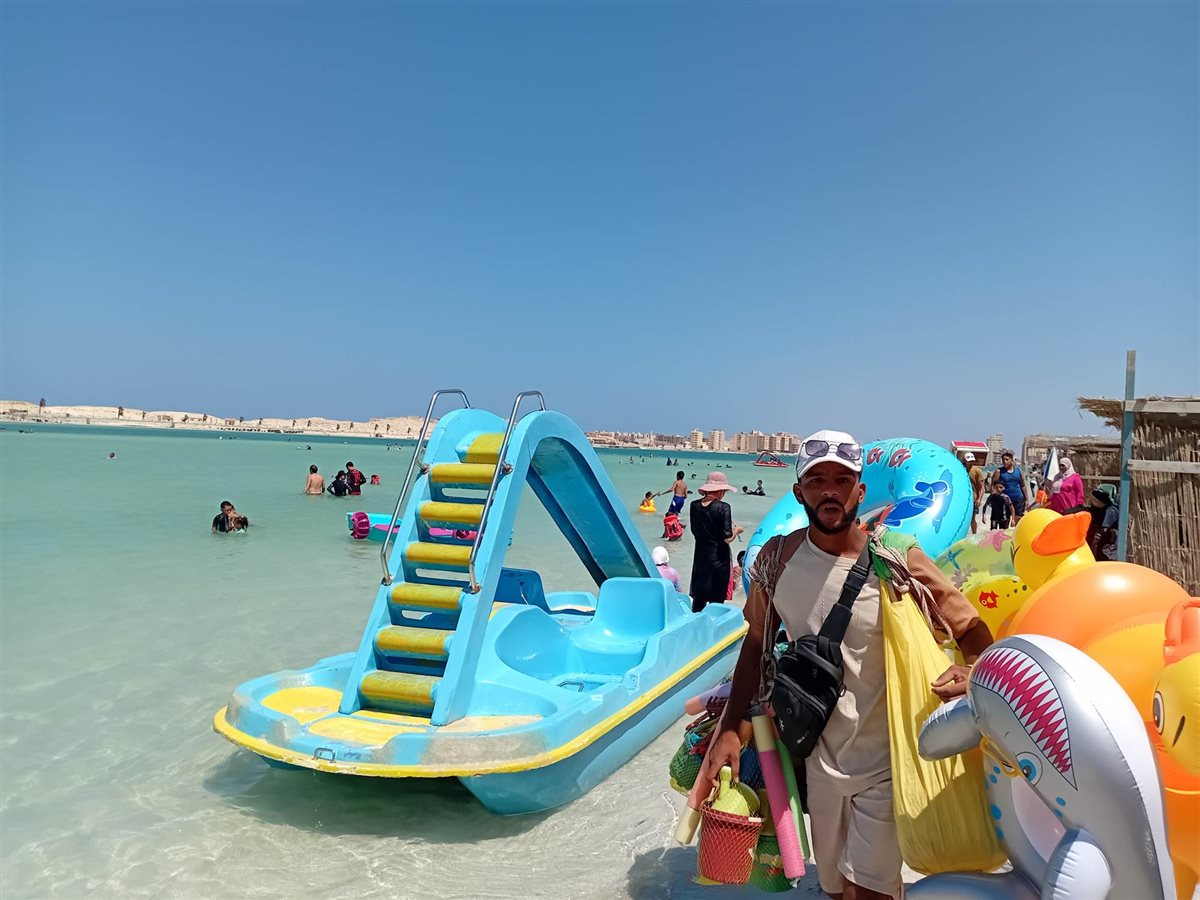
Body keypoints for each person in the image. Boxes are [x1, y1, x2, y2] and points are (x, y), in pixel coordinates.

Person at [699, 429, 991, 900]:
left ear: (860, 491)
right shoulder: (777, 561)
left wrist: (975, 670)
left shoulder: (895, 558)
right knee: (834, 889)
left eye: (842, 480)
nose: (830, 491)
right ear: (800, 493)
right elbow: (755, 646)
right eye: (817, 481)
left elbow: (969, 625)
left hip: (889, 762)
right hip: (818, 759)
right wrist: (731, 729)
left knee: (868, 892)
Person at [689, 471, 743, 613]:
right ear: (720, 491)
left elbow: (695, 531)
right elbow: (727, 538)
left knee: (698, 601)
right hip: (719, 560)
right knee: (717, 602)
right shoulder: (723, 507)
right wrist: (737, 530)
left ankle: (696, 624)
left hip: (700, 559)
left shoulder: (694, 505)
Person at [990, 449, 1030, 523]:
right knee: (1005, 521)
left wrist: (1027, 500)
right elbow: (993, 486)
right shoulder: (999, 471)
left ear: (1012, 460)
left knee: (1018, 521)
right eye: (1003, 460)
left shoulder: (1018, 471)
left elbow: (1023, 486)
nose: (1004, 461)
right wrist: (993, 500)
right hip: (1005, 500)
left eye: (1007, 459)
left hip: (1018, 499)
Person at [1086, 483, 1119, 561]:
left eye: (1094, 500)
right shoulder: (1097, 509)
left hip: (1106, 538)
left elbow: (1105, 528)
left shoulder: (1111, 510)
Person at [962, 452, 985, 534]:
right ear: (965, 460)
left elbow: (982, 487)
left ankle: (974, 534)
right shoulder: (961, 469)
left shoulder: (977, 471)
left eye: (972, 461)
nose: (971, 463)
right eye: (969, 461)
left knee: (972, 519)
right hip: (963, 499)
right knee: (962, 519)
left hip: (973, 499)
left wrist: (979, 499)